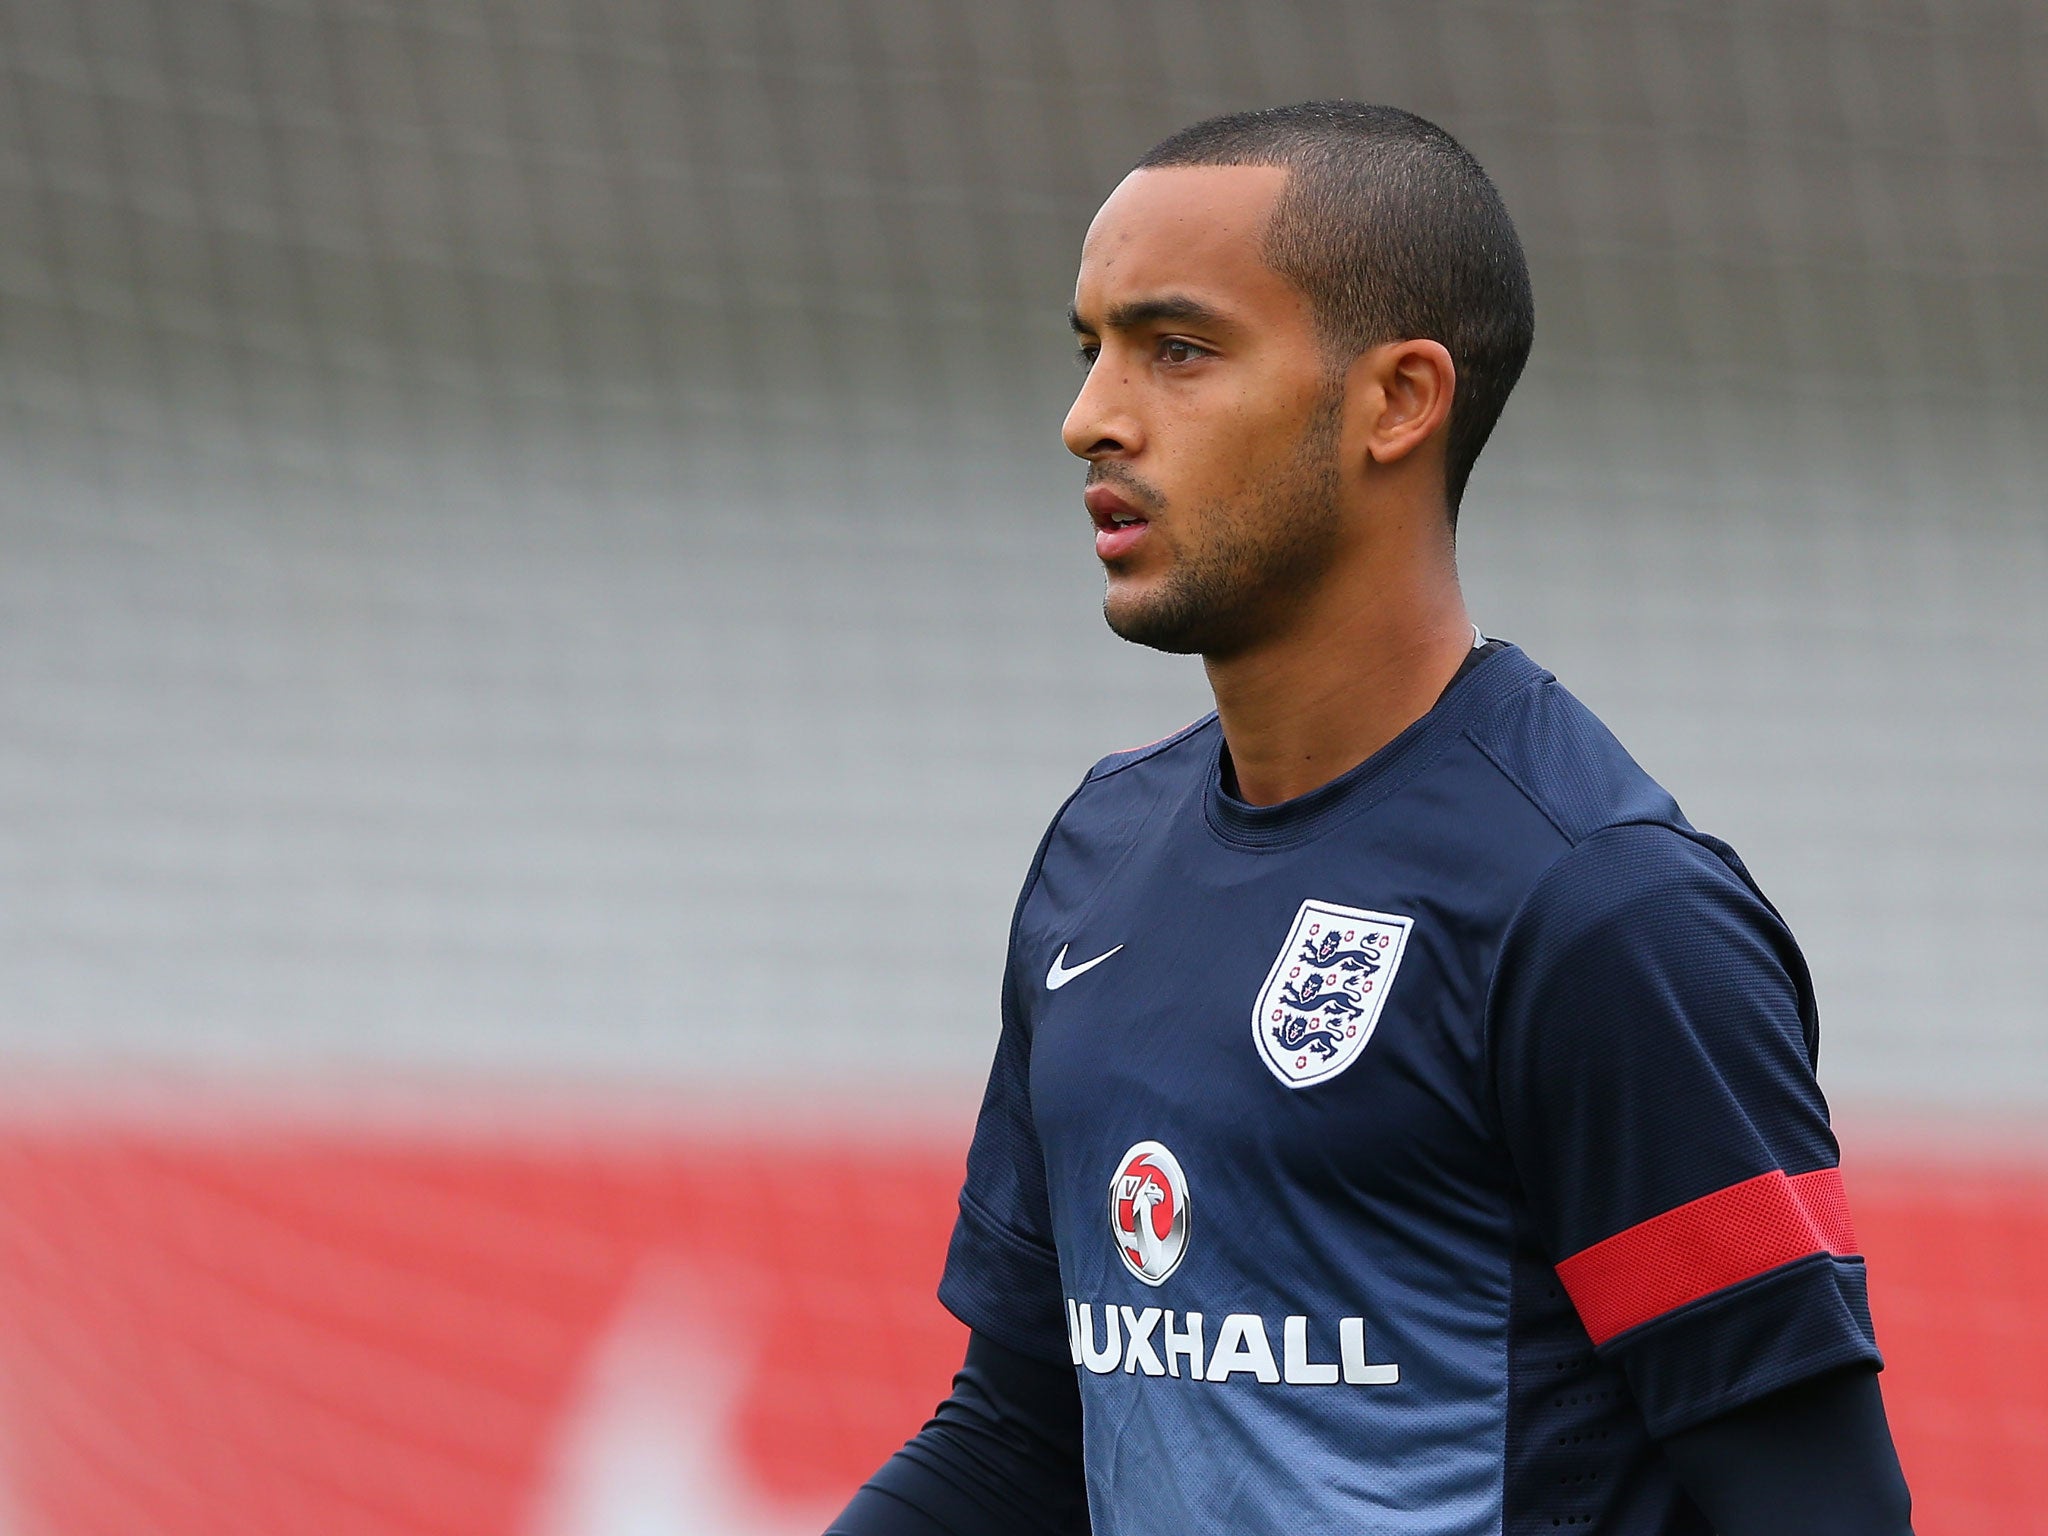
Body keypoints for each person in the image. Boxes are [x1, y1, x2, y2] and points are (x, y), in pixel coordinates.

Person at [827, 102, 1913, 1536]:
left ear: (1397, 400)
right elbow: (1026, 1429)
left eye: (1179, 349)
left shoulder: (1600, 912)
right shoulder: (1099, 860)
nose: (1090, 413)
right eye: (1090, 347)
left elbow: (1818, 1509)